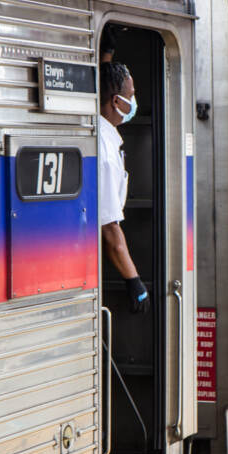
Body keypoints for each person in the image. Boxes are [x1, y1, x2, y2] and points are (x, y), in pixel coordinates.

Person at [99, 61, 149, 313]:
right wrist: (134, 280)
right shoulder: (104, 151)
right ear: (116, 101)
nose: (133, 101)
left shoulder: (105, 137)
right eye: (130, 96)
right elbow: (108, 226)